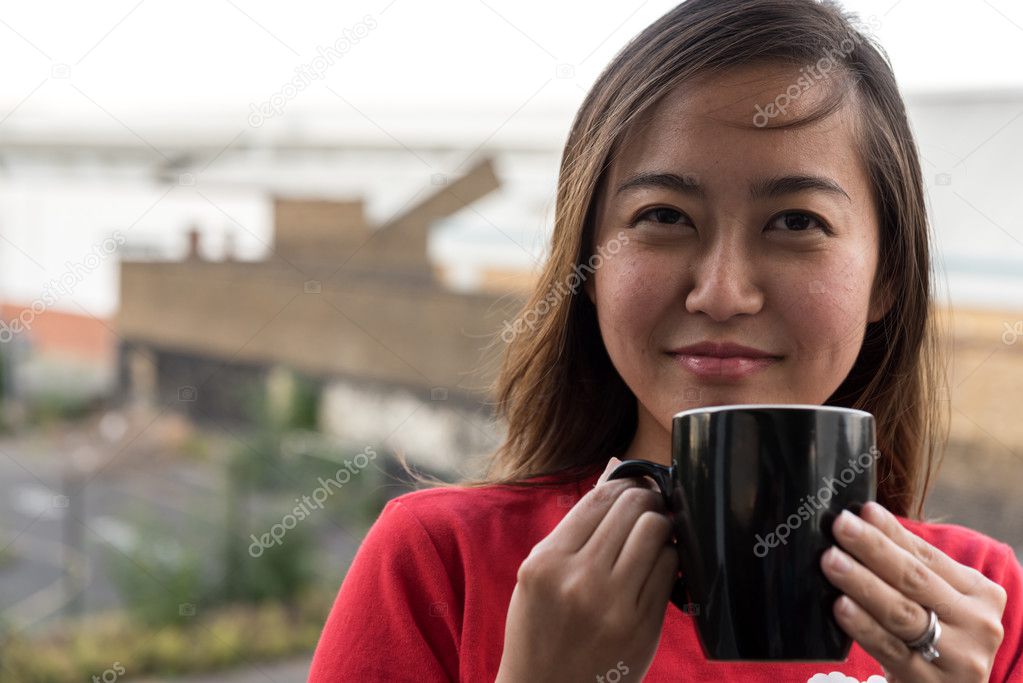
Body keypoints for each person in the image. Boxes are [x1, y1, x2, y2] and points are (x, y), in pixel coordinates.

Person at [307, 0, 1023, 680]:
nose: (720, 292)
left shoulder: (979, 610)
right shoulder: (441, 564)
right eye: (664, 216)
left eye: (796, 222)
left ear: (885, 279)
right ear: (585, 263)